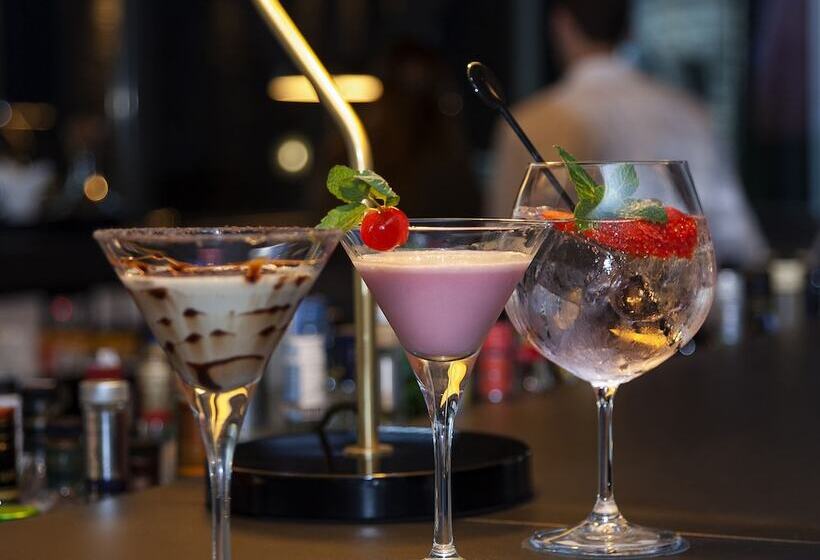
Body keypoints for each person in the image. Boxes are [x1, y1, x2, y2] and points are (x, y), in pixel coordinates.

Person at [489, 0, 769, 268]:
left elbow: (503, 250)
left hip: (615, 296)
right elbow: (741, 241)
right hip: (698, 288)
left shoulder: (533, 122)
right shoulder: (691, 111)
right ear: (629, 29)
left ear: (561, 25)